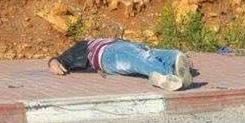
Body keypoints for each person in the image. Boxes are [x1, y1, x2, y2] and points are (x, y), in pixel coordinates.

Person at [48, 38, 193, 91]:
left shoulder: (110, 39)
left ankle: (175, 63)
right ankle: (172, 75)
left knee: (153, 54)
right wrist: (52, 62)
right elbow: (61, 60)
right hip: (108, 54)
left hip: (134, 46)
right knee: (140, 59)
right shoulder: (82, 46)